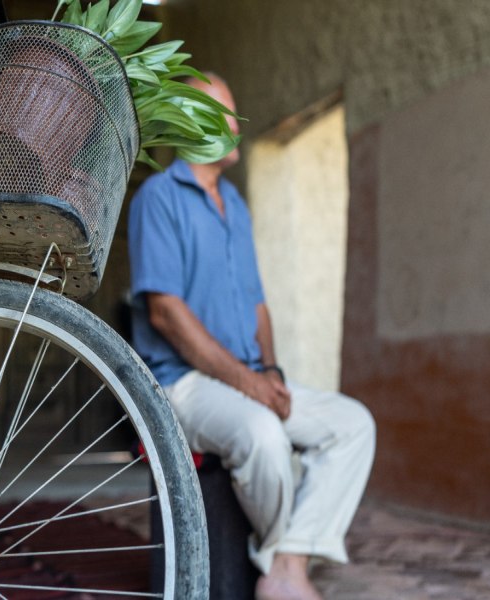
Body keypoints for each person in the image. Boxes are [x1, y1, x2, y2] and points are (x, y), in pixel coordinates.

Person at [127, 74, 376, 600]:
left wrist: (271, 372)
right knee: (263, 434)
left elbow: (257, 303)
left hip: (245, 378)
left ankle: (283, 564)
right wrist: (251, 385)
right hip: (183, 385)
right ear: (192, 122)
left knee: (353, 425)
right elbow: (166, 313)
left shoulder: (235, 205)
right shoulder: (158, 198)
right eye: (226, 115)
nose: (237, 127)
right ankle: (287, 565)